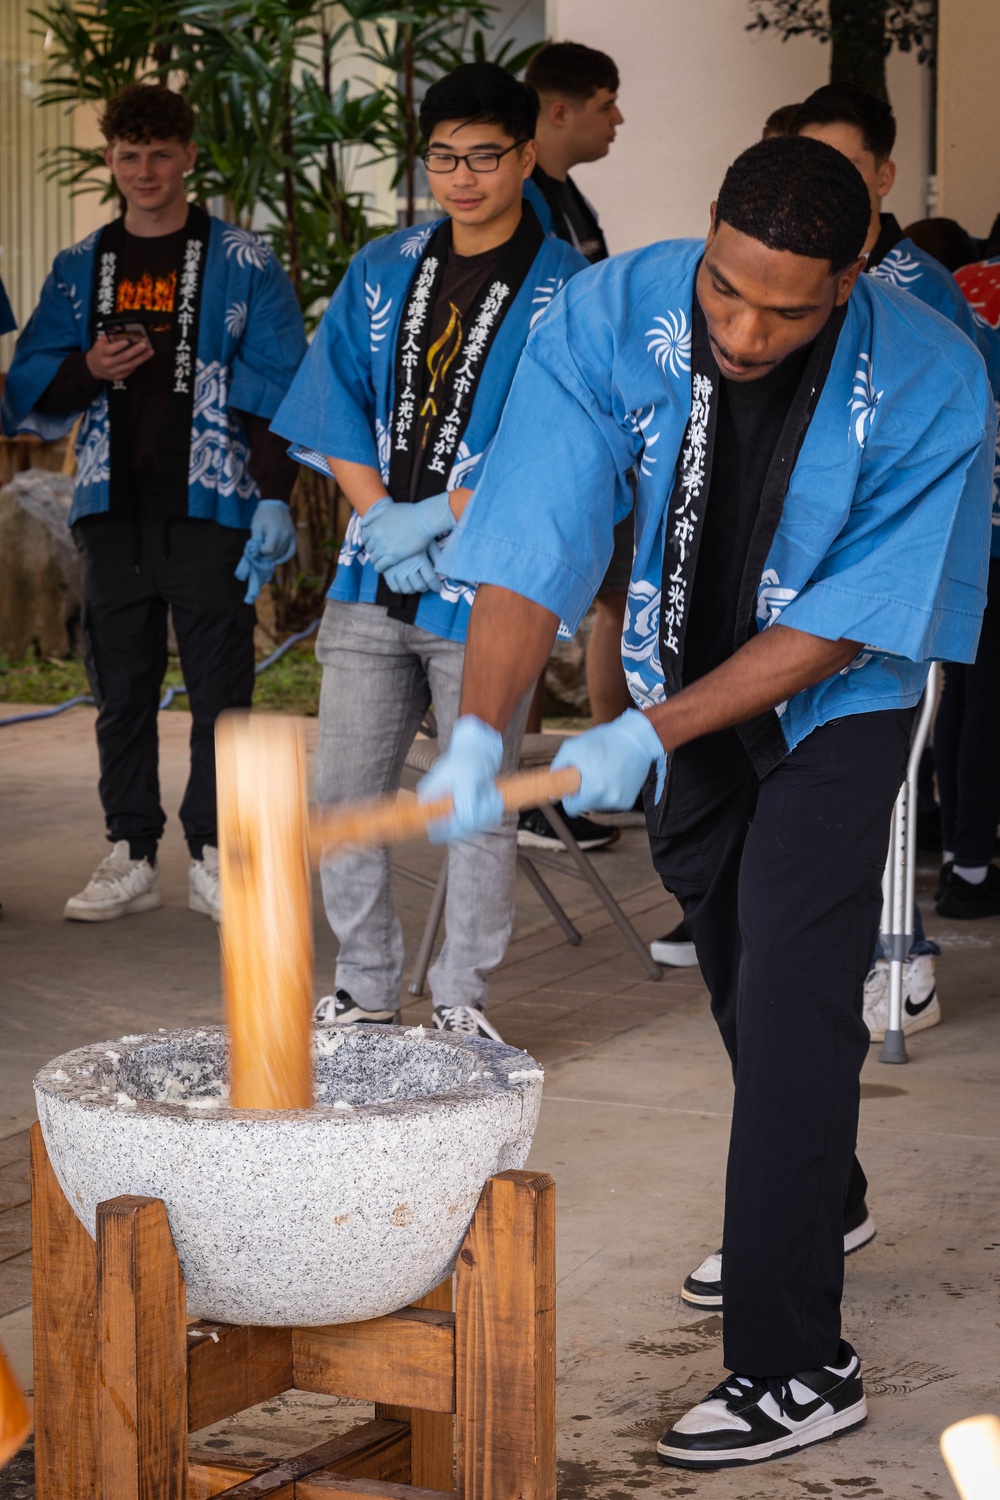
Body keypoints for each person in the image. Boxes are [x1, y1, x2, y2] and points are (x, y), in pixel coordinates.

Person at [419, 135, 994, 1466]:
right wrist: (476, 733)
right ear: (711, 235)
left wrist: (641, 736)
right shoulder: (613, 313)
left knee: (796, 984)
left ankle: (798, 1365)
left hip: (833, 707)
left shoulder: (931, 372)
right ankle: (818, 1184)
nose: (743, 330)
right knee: (738, 969)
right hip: (674, 676)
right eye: (728, 290)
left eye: (787, 307)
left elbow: (854, 621)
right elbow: (537, 530)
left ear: (853, 273)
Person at [270, 63, 586, 1039]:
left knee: (476, 801)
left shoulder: (568, 290)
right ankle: (366, 987)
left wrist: (438, 517)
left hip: (491, 587)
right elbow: (335, 406)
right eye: (444, 156)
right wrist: (378, 523)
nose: (462, 177)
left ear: (525, 156)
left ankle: (460, 997)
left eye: (485, 157)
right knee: (344, 794)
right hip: (373, 579)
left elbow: (569, 442)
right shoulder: (383, 265)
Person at [1, 84, 306, 924]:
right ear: (110, 161)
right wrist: (89, 370)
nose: (145, 170)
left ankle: (214, 849)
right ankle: (130, 850)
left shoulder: (245, 261)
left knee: (222, 688)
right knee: (121, 687)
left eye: (160, 153)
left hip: (215, 504)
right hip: (111, 506)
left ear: (189, 157)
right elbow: (31, 382)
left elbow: (281, 383)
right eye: (129, 155)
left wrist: (274, 497)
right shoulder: (79, 267)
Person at [792, 82, 1000, 1030]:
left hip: (891, 572)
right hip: (793, 577)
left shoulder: (927, 293)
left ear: (882, 174)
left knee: (881, 772)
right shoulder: (788, 268)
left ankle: (900, 950)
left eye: (842, 168)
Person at [513, 39, 626, 854]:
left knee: (611, 595)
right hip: (538, 446)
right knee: (528, 606)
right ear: (559, 110)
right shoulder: (525, 204)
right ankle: (526, 798)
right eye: (605, 103)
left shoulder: (568, 198)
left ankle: (597, 775)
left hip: (592, 438)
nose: (617, 119)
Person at [930, 249, 1000, 918]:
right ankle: (974, 864)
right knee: (989, 699)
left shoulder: (958, 285)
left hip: (963, 521)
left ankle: (959, 853)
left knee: (965, 690)